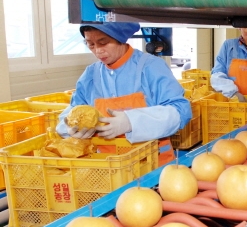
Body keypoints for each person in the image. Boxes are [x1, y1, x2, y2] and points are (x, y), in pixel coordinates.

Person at [56, 22, 192, 144]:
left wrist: (132, 122)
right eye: (90, 44)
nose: (97, 50)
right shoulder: (90, 75)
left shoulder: (151, 67)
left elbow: (180, 111)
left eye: (103, 43)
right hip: (105, 164)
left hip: (152, 162)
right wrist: (68, 127)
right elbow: (73, 110)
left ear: (120, 38)